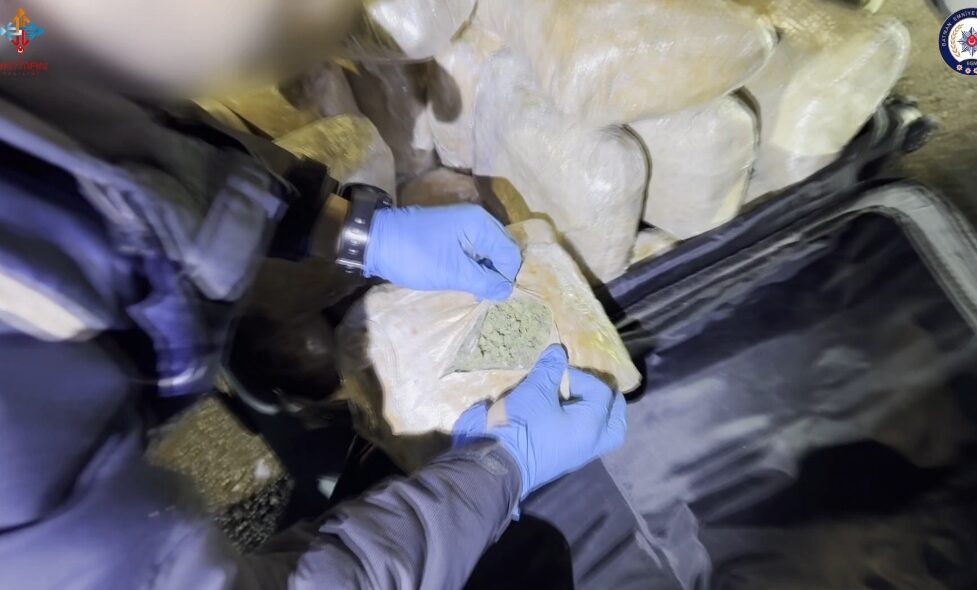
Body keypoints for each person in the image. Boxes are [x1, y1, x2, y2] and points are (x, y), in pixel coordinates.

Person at [0, 2, 627, 588]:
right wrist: (498, 470)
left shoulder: (28, 45)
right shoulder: (23, 457)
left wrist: (350, 229)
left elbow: (142, 152)